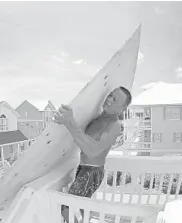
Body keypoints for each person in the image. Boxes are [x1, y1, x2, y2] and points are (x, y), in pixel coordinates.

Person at [54, 86, 132, 223]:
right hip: (84, 168)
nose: (109, 100)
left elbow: (93, 151)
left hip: (92, 172)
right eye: (110, 95)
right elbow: (81, 139)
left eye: (115, 99)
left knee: (67, 208)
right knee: (80, 207)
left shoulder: (115, 124)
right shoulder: (96, 119)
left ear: (122, 108)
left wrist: (69, 122)